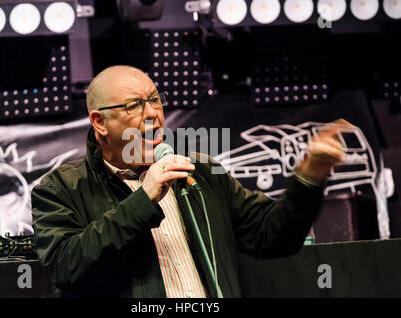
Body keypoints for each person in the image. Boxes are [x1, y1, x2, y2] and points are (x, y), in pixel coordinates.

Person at [31, 65, 352, 298]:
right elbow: (66, 268)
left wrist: (308, 179)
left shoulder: (199, 171)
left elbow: (274, 236)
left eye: (155, 100)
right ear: (100, 121)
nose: (152, 114)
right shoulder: (60, 189)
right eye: (133, 106)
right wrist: (143, 199)